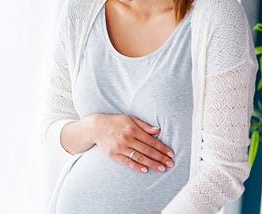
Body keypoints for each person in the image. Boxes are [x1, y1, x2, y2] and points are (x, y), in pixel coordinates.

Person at [41, 0, 259, 213]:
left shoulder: (219, 16)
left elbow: (224, 168)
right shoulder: (81, 10)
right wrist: (95, 128)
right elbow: (51, 130)